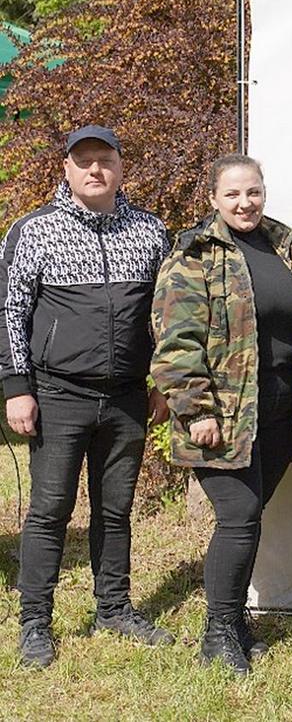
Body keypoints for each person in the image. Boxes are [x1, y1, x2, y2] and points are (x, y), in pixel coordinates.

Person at [0, 125, 173, 668]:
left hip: (126, 396)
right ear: (67, 169)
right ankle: (35, 623)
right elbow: (10, 312)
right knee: (49, 511)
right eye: (84, 162)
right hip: (57, 393)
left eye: (105, 160)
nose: (95, 170)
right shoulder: (34, 230)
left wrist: (162, 380)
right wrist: (16, 388)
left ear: (121, 168)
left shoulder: (150, 231)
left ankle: (114, 607)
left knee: (115, 509)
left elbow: (165, 314)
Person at [150, 154, 292, 676]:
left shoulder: (287, 246)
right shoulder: (194, 255)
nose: (245, 203)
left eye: (254, 192)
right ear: (213, 199)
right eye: (234, 194)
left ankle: (236, 622)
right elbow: (176, 343)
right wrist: (196, 408)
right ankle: (218, 633)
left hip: (279, 408)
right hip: (221, 413)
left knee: (248, 518)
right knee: (238, 519)